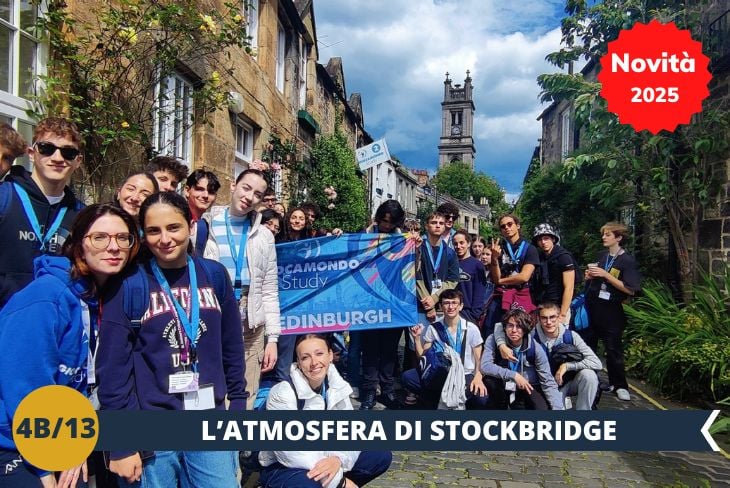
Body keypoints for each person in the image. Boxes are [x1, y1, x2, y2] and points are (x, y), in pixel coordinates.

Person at [97, 192, 246, 487]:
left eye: (173, 227)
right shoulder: (130, 284)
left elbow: (231, 344)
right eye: (153, 230)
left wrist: (239, 402)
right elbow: (112, 370)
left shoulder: (213, 275)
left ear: (190, 225)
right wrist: (122, 442)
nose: (164, 239)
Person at [0, 203, 139, 487]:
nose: (113, 247)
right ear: (78, 244)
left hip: (67, 433)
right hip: (17, 442)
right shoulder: (46, 297)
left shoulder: (103, 296)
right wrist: (44, 464)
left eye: (122, 238)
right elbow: (24, 386)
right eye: (99, 237)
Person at [260, 334, 392, 488]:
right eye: (305, 357)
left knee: (379, 454)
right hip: (283, 465)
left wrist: (337, 460)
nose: (314, 362)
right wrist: (339, 482)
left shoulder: (337, 385)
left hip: (325, 455)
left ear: (330, 355)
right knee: (309, 485)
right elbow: (290, 453)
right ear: (299, 362)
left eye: (319, 354)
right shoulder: (282, 393)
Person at [202, 168, 280, 409]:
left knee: (245, 390)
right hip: (211, 316)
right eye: (246, 188)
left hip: (250, 323)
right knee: (209, 385)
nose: (249, 197)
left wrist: (273, 338)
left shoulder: (264, 235)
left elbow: (269, 288)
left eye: (257, 194)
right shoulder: (204, 225)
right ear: (234, 185)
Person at [0, 117, 85, 310]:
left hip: (51, 328)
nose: (57, 158)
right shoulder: (4, 197)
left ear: (77, 161)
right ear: (32, 153)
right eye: (47, 148)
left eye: (68, 152)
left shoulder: (82, 216)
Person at [493, 302, 601, 410]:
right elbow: (499, 326)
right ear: (538, 319)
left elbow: (597, 363)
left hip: (567, 382)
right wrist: (501, 344)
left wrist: (567, 366)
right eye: (544, 318)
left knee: (589, 375)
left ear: (559, 317)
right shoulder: (531, 335)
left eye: (552, 317)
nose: (548, 322)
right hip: (544, 385)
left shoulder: (571, 336)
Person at [583, 222, 641, 402]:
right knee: (589, 347)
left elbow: (631, 289)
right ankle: (591, 381)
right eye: (603, 234)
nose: (603, 237)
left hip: (612, 311)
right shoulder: (602, 256)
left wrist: (605, 275)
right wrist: (589, 277)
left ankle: (620, 385)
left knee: (613, 349)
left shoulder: (627, 261)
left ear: (618, 238)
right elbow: (595, 279)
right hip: (594, 307)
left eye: (607, 235)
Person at [402, 290, 488, 410]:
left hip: (465, 373)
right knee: (408, 377)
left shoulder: (471, 328)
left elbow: (480, 360)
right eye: (446, 303)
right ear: (441, 306)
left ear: (461, 306)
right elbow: (423, 357)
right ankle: (437, 398)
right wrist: (416, 338)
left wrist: (478, 378)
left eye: (454, 303)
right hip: (441, 372)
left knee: (481, 398)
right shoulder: (434, 327)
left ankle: (444, 399)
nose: (450, 306)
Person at [406, 211, 460, 405]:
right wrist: (425, 300)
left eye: (440, 223)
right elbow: (413, 275)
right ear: (426, 226)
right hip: (419, 307)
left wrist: (435, 297)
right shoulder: (417, 247)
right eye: (433, 222)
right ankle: (415, 387)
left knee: (438, 348)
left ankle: (439, 384)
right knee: (416, 347)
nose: (437, 225)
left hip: (441, 308)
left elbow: (453, 279)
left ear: (446, 226)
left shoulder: (450, 253)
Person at [359, 200, 406, 410]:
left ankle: (387, 390)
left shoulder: (403, 241)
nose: (386, 226)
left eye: (390, 222)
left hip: (394, 302)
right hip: (370, 300)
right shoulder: (364, 235)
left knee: (389, 350)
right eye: (384, 221)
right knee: (370, 349)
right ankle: (368, 391)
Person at [480, 308, 564, 410]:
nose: (514, 330)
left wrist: (558, 409)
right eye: (510, 325)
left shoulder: (535, 348)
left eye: (519, 326)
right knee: (489, 382)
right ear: (504, 327)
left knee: (541, 409)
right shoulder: (493, 340)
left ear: (525, 329)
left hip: (528, 385)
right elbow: (485, 366)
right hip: (503, 383)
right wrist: (514, 375)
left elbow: (547, 381)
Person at [488, 214, 540, 319]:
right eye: (503, 226)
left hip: (521, 294)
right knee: (492, 328)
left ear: (518, 226)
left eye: (510, 224)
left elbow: (524, 277)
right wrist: (494, 258)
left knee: (521, 329)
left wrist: (501, 281)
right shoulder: (498, 249)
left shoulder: (530, 249)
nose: (506, 227)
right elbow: (495, 277)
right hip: (501, 296)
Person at [531, 223, 577, 325]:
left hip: (558, 307)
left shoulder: (564, 257)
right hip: (542, 307)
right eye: (540, 239)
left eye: (546, 238)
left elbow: (569, 287)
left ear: (553, 239)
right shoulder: (539, 257)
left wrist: (563, 314)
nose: (543, 242)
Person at [452, 229, 487, 325]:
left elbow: (479, 292)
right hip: (451, 310)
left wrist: (474, 315)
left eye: (462, 243)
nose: (458, 246)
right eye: (455, 244)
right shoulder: (451, 263)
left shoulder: (477, 265)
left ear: (468, 244)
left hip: (468, 313)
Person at [185, 169, 220, 255]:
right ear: (187, 191)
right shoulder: (177, 218)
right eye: (200, 189)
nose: (205, 195)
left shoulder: (207, 223)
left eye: (211, 192)